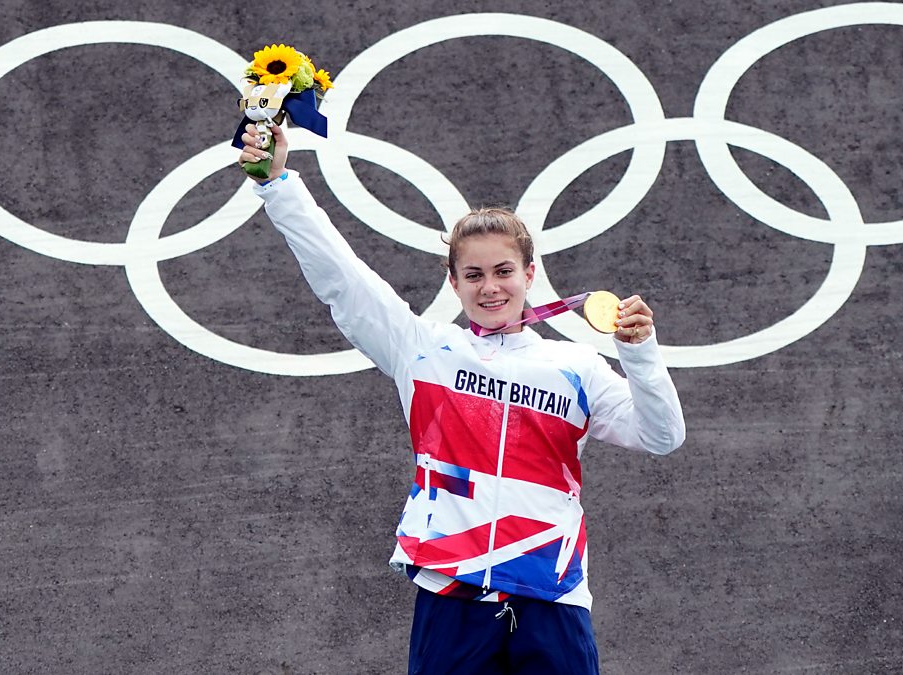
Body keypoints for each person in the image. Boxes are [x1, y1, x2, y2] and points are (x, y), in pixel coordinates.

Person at [239, 122, 685, 675]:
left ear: (530, 274)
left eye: (503, 271)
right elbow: (342, 279)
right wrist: (277, 184)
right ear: (453, 283)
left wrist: (640, 354)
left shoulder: (576, 367)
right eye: (473, 274)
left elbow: (663, 436)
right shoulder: (423, 350)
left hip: (551, 593)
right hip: (452, 590)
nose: (490, 287)